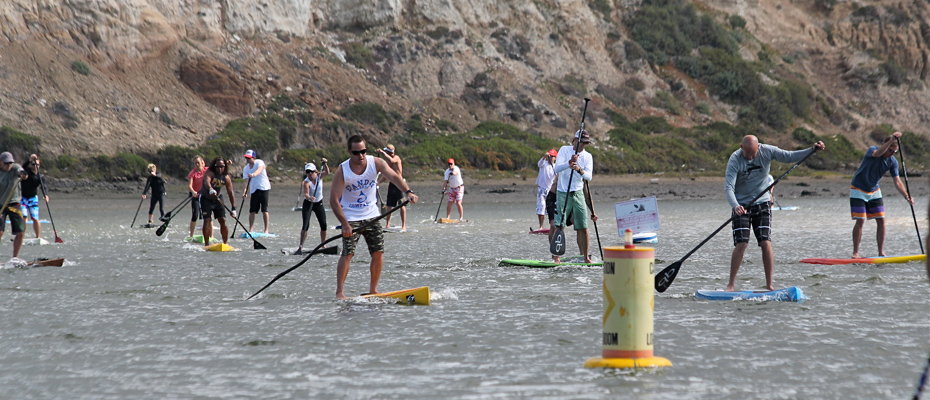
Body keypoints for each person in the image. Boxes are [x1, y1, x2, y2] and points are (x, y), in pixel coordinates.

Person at [725, 135, 825, 291]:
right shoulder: (735, 159)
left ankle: (769, 285)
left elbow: (789, 156)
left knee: (765, 242)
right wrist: (736, 205)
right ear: (741, 147)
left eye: (753, 154)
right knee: (742, 243)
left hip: (762, 202)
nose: (750, 158)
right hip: (742, 205)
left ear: (758, 147)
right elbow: (729, 188)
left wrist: (812, 150)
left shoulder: (767, 151)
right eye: (747, 155)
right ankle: (731, 285)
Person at [331, 135, 418, 300]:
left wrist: (408, 192)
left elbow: (394, 176)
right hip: (351, 217)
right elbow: (334, 200)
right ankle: (340, 292)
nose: (361, 156)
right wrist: (344, 224)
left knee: (378, 252)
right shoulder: (343, 171)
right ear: (349, 152)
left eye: (363, 151)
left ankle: (373, 289)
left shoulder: (376, 163)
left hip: (372, 216)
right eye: (356, 153)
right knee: (348, 254)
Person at [850, 131, 913, 258]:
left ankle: (881, 252)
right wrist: (891, 140)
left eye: (894, 152)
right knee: (860, 220)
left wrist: (906, 196)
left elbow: (897, 181)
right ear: (885, 145)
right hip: (858, 188)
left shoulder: (892, 162)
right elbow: (877, 154)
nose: (892, 154)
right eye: (890, 150)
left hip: (874, 191)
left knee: (881, 220)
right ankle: (856, 253)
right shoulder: (872, 150)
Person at [552, 130, 596, 264]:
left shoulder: (588, 156)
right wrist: (569, 163)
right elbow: (556, 169)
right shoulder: (564, 150)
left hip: (578, 192)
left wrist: (578, 169)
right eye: (581, 142)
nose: (583, 145)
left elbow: (588, 176)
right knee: (560, 225)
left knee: (583, 226)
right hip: (563, 192)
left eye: (586, 143)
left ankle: (586, 257)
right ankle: (556, 257)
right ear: (575, 140)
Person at [200, 157, 236, 245]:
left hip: (218, 199)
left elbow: (230, 193)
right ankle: (207, 244)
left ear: (225, 167)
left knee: (223, 220)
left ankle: (225, 243)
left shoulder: (226, 177)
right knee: (207, 220)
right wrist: (210, 189)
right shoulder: (210, 172)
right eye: (218, 166)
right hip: (206, 198)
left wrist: (233, 208)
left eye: (222, 167)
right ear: (214, 166)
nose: (219, 169)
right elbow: (206, 182)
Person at [298, 159, 331, 254]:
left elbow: (328, 172)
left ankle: (323, 244)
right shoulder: (306, 182)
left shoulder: (319, 176)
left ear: (315, 171)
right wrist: (309, 197)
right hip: (308, 204)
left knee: (323, 224)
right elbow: (306, 194)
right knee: (306, 225)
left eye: (311, 172)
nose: (309, 174)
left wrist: (325, 164)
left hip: (318, 203)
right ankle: (301, 246)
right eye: (307, 172)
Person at [0, 152, 28, 260]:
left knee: (20, 232)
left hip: (14, 204)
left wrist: (23, 175)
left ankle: (15, 258)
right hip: (0, 205)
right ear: (0, 162)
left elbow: (21, 172)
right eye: (6, 163)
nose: (8, 165)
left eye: (10, 163)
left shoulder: (15, 168)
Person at [377, 145, 407, 231]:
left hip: (399, 183)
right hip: (392, 183)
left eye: (386, 152)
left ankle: (403, 226)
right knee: (389, 205)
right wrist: (378, 182)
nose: (385, 153)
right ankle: (387, 225)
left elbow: (392, 160)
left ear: (389, 152)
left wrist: (382, 153)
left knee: (401, 204)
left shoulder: (396, 158)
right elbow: (386, 175)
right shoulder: (388, 163)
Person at [242, 149, 271, 233]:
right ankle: (251, 230)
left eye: (249, 158)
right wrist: (244, 192)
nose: (247, 160)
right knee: (252, 211)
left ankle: (266, 230)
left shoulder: (259, 162)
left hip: (263, 188)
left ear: (254, 157)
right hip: (254, 190)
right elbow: (246, 181)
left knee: (264, 210)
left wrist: (253, 174)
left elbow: (259, 170)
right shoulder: (246, 168)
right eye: (246, 158)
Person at [20, 154, 48, 239]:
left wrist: (45, 195)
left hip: (33, 198)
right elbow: (23, 167)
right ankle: (21, 237)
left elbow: (44, 187)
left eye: (37, 165)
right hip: (23, 198)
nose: (35, 166)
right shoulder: (27, 171)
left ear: (39, 165)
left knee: (35, 218)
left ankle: (38, 237)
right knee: (24, 217)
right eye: (33, 164)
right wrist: (29, 160)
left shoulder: (41, 176)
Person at [535, 149, 557, 231]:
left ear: (555, 158)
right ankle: (541, 226)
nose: (550, 158)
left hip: (551, 190)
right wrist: (544, 157)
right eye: (550, 156)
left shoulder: (556, 167)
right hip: (542, 190)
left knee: (551, 208)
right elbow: (539, 164)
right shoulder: (543, 164)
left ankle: (552, 225)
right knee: (541, 206)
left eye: (552, 156)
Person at [187, 155, 206, 238]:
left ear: (202, 163)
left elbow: (217, 168)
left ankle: (210, 235)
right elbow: (190, 186)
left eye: (198, 163)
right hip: (196, 196)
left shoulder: (207, 170)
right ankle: (191, 235)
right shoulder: (192, 173)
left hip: (205, 196)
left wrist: (227, 163)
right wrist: (193, 192)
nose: (197, 165)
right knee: (195, 215)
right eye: (195, 163)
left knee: (207, 216)